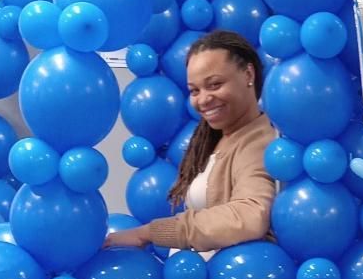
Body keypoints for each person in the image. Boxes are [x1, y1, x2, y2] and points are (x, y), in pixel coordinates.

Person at [104, 30, 276, 253]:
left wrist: (147, 233)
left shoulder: (259, 142)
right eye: (194, 90)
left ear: (248, 75)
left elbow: (251, 215)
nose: (203, 99)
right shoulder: (217, 138)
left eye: (214, 84)